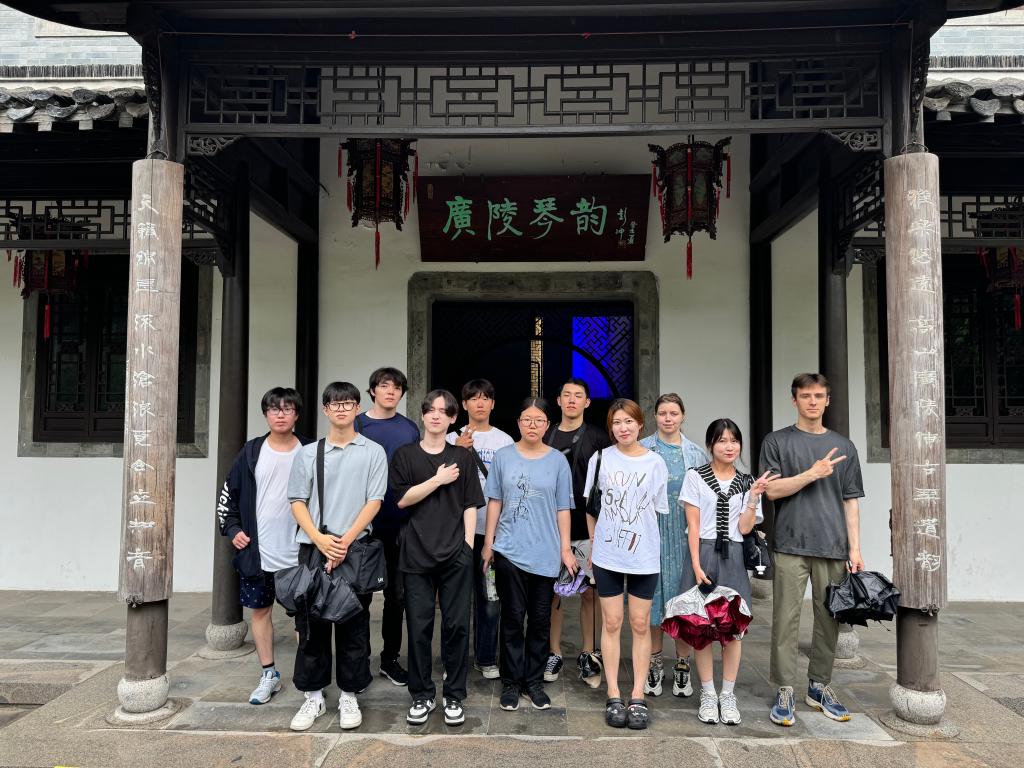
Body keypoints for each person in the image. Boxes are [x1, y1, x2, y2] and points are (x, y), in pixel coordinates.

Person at [760, 373, 865, 727]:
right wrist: (812, 473)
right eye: (806, 396)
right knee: (785, 620)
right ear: (794, 400)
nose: (813, 402)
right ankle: (784, 688)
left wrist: (855, 548)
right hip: (790, 543)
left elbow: (851, 500)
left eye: (819, 396)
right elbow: (771, 491)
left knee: (829, 620)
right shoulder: (777, 441)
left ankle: (819, 686)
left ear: (828, 400)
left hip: (833, 545)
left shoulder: (844, 446)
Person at [286, 382, 388, 732]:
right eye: (335, 403)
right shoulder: (309, 453)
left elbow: (374, 500)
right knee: (310, 625)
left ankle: (349, 694)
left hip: (354, 549)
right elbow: (297, 501)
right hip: (314, 548)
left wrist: (342, 543)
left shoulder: (373, 452)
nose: (341, 409)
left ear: (358, 408)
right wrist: (320, 540)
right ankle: (313, 695)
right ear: (325, 410)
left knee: (353, 626)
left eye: (348, 403)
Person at [390, 389, 484, 727]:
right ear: (423, 414)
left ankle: (454, 695)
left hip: (456, 552)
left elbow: (471, 504)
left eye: (443, 411)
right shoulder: (405, 455)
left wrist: (468, 547)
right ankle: (422, 694)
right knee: (419, 626)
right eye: (430, 409)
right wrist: (438, 479)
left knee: (457, 626)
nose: (435, 415)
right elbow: (402, 499)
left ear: (452, 418)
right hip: (416, 553)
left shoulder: (462, 457)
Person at [217, 387, 311, 706]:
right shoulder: (252, 451)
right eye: (274, 409)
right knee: (260, 611)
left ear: (297, 414)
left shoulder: (309, 451)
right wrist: (233, 529)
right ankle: (269, 674)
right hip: (258, 551)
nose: (280, 414)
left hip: (299, 551)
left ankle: (308, 677)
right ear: (266, 414)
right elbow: (228, 495)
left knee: (302, 615)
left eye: (287, 409)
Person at [480, 397, 575, 711]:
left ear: (547, 425)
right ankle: (511, 681)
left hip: (546, 552)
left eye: (539, 420)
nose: (532, 425)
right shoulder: (503, 457)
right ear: (518, 422)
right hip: (509, 549)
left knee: (540, 620)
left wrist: (565, 549)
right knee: (511, 618)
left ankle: (533, 681)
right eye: (527, 419)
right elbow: (495, 501)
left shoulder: (558, 461)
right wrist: (489, 543)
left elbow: (563, 508)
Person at [679, 419, 774, 725]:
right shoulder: (695, 476)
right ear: (711, 445)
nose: (729, 446)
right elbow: (693, 525)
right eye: (722, 440)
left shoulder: (748, 482)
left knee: (733, 629)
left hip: (733, 555)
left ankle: (728, 694)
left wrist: (754, 497)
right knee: (702, 627)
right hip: (703, 553)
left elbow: (745, 528)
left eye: (734, 440)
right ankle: (708, 693)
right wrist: (696, 564)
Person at [584, 398, 668, 730]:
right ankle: (613, 693)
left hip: (644, 555)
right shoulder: (600, 458)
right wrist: (595, 542)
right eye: (617, 422)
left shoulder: (655, 462)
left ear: (640, 424)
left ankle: (637, 694)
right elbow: (591, 507)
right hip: (608, 554)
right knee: (612, 621)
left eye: (629, 421)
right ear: (611, 427)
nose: (623, 428)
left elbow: (657, 509)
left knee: (640, 622)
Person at [353, 367, 421, 687]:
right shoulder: (357, 424)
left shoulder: (409, 429)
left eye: (396, 387)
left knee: (397, 597)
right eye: (384, 386)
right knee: (361, 596)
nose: (391, 391)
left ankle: (389, 659)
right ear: (372, 391)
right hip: (362, 525)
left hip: (400, 524)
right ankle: (360, 659)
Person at [638, 393, 708, 699]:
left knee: (684, 601)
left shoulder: (696, 454)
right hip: (651, 535)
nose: (668, 418)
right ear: (655, 416)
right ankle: (654, 662)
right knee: (651, 601)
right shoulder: (642, 449)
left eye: (674, 413)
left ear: (683, 416)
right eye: (663, 413)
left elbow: (705, 499)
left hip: (683, 536)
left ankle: (682, 663)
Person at [544, 377, 611, 687]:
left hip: (587, 526)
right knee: (553, 593)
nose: (572, 400)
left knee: (590, 594)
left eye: (578, 395)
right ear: (558, 401)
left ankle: (588, 652)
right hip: (551, 526)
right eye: (566, 395)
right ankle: (553, 652)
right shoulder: (545, 433)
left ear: (587, 402)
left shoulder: (599, 438)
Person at [446, 379, 514, 680]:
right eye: (473, 398)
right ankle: (454, 662)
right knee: (456, 600)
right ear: (463, 404)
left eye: (486, 398)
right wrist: (456, 452)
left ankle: (485, 658)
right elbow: (438, 480)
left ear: (493, 404)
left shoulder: (505, 441)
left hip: (492, 532)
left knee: (490, 598)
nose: (480, 403)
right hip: (457, 533)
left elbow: (510, 486)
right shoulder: (450, 438)